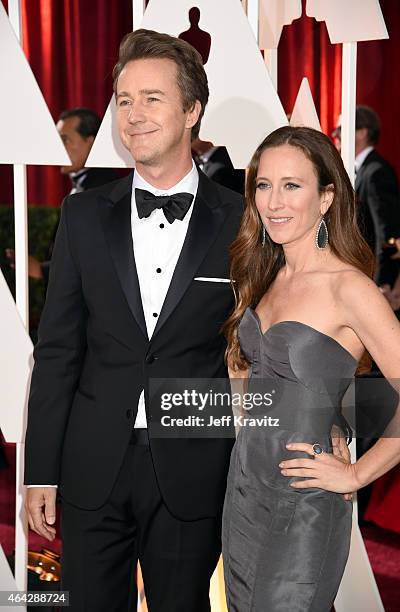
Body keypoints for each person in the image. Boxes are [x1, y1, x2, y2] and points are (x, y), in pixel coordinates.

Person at [24, 29, 243, 612]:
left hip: (194, 466)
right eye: (124, 99)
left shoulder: (242, 220)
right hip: (92, 464)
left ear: (193, 110)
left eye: (152, 98)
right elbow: (57, 351)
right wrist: (39, 471)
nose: (133, 114)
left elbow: (261, 348)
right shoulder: (83, 213)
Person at [221, 125, 400, 611]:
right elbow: (249, 373)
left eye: (291, 185)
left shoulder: (349, 288)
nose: (273, 201)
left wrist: (357, 474)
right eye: (263, 184)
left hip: (304, 502)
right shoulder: (262, 273)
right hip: (242, 492)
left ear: (325, 198)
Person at [5, 107, 118, 284]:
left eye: (65, 140)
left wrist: (43, 270)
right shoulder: (87, 184)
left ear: (90, 142)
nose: (58, 147)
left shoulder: (105, 188)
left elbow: (95, 256)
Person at [332, 105, 400, 288]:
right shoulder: (361, 169)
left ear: (361, 133)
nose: (334, 135)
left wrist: (382, 282)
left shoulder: (376, 172)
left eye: (340, 129)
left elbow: (385, 235)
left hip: (375, 279)